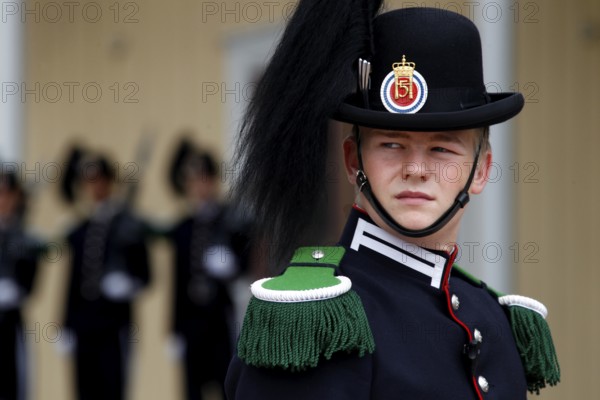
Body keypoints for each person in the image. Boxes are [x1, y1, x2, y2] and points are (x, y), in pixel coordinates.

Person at [225, 3, 560, 400]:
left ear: (482, 170)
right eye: (391, 144)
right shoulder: (315, 321)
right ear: (353, 161)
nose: (416, 168)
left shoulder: (493, 315)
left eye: (442, 149)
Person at [60, 150, 151, 400]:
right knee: (84, 390)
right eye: (90, 181)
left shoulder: (129, 226)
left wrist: (128, 284)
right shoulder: (79, 230)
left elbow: (146, 275)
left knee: (113, 389)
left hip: (114, 326)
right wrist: (65, 324)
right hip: (83, 326)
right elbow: (71, 283)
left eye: (100, 180)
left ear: (110, 182)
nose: (96, 187)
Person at [167, 139, 253, 400]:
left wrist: (232, 267)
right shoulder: (183, 227)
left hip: (219, 318)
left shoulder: (231, 218)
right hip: (190, 322)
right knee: (192, 390)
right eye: (194, 180)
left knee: (224, 385)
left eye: (204, 179)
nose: (200, 186)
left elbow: (247, 263)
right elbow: (176, 282)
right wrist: (173, 329)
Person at [0, 169, 41, 400]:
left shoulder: (24, 237)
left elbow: (30, 283)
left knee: (13, 387)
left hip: (8, 323)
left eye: (7, 194)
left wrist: (15, 289)